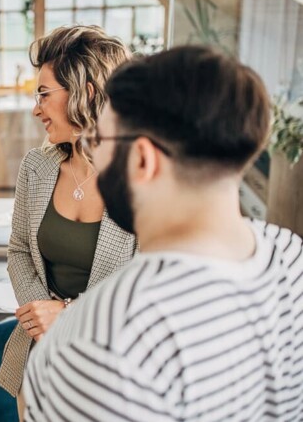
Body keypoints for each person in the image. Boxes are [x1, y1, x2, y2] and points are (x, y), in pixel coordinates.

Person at [22, 45, 303, 421]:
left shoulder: (101, 336)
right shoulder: (291, 256)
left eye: (98, 142)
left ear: (141, 159)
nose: (92, 155)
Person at [0, 25, 137, 403]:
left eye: (44, 94)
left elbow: (150, 288)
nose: (36, 108)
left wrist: (70, 316)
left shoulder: (141, 178)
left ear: (85, 93)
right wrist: (44, 324)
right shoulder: (35, 167)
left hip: (113, 371)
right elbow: (19, 251)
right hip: (38, 362)